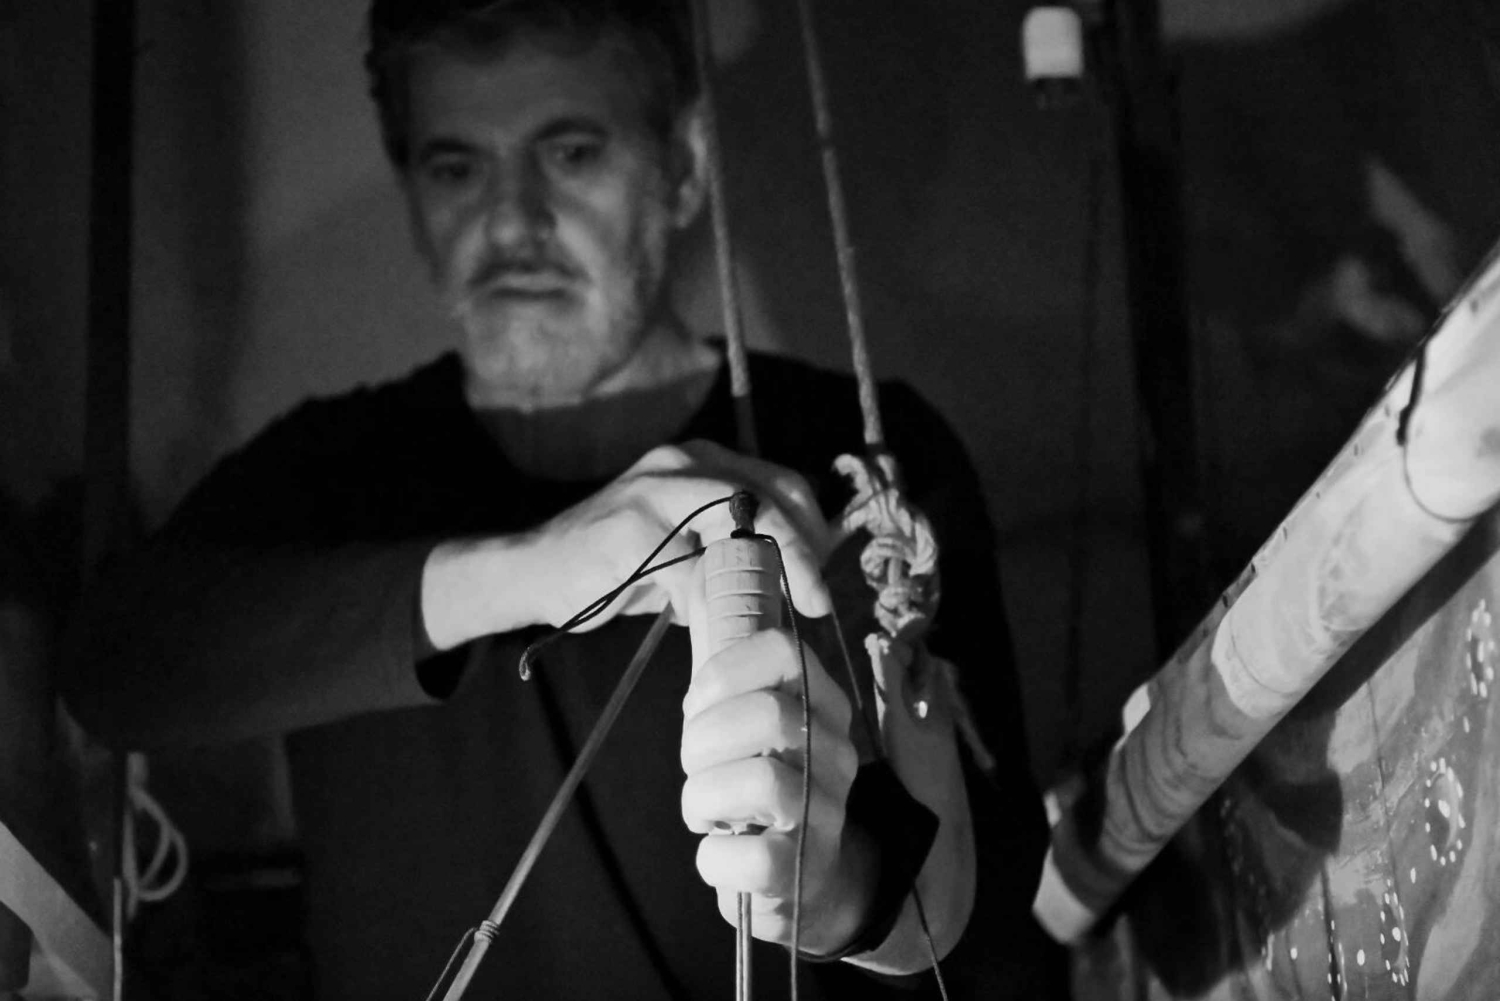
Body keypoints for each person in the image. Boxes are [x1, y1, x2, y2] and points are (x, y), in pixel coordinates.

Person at [62, 0, 1066, 997]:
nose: (510, 222)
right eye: (456, 167)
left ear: (683, 168)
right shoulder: (332, 465)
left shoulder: (857, 457)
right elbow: (112, 667)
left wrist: (831, 898)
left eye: (571, 153)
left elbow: (990, 909)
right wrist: (539, 566)